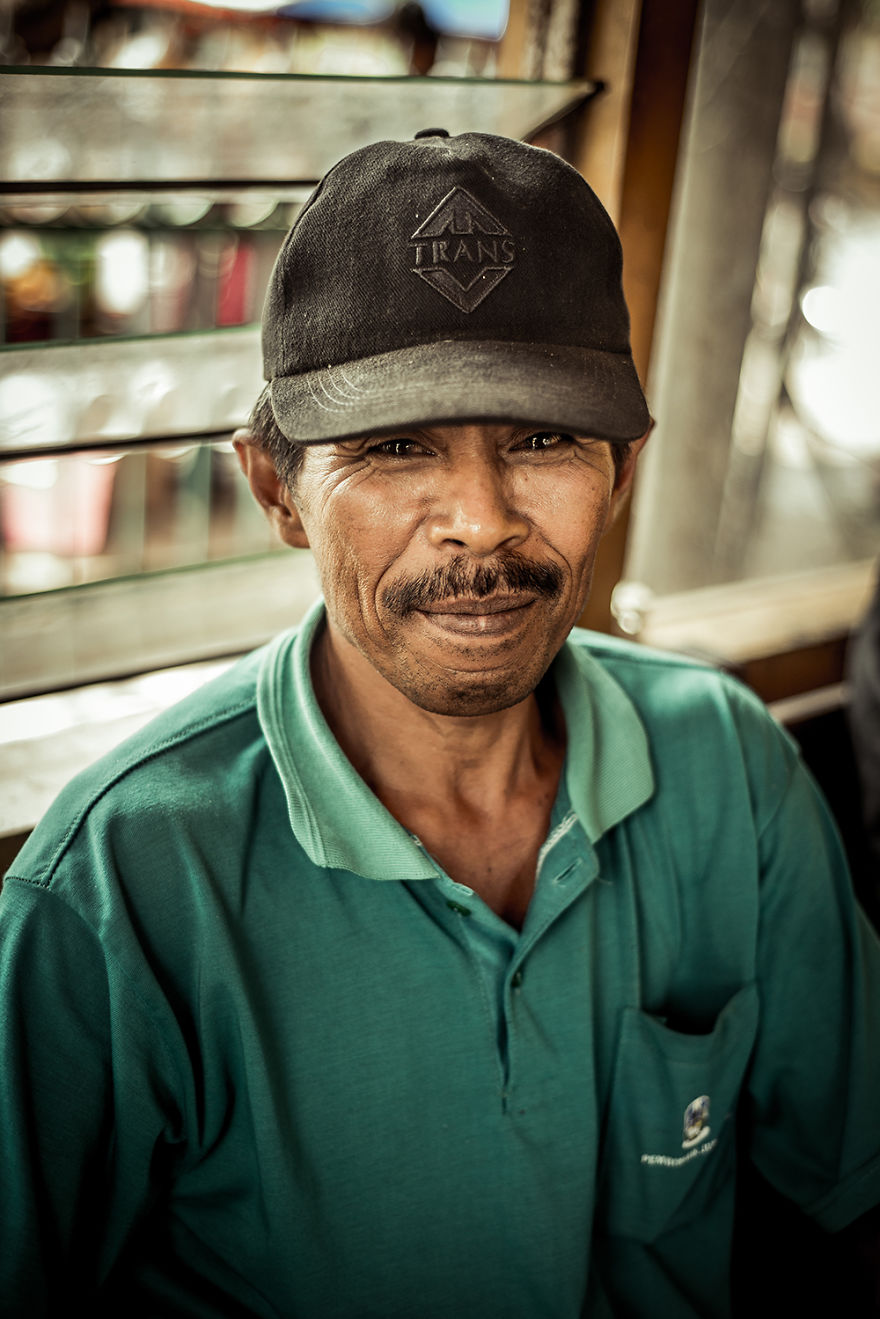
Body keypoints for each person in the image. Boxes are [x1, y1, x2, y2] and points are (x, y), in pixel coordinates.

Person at [1, 129, 879, 1319]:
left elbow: (852, 1191)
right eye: (395, 446)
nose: (480, 517)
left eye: (542, 438)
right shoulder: (119, 888)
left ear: (621, 470)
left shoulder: (725, 762)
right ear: (276, 489)